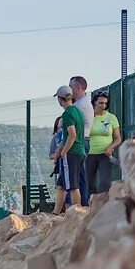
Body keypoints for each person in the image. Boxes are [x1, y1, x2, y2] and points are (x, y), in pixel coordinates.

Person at [51, 84, 86, 213]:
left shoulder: (67, 114)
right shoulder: (78, 112)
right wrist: (57, 154)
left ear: (60, 99)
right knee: (61, 185)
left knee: (72, 186)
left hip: (72, 153)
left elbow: (72, 134)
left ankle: (77, 214)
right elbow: (66, 137)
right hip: (80, 151)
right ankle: (55, 213)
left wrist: (64, 152)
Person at [86, 91, 122, 199]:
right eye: (101, 103)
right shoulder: (89, 118)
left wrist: (111, 147)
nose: (104, 106)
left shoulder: (111, 118)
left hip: (105, 155)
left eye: (106, 103)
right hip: (90, 154)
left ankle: (104, 204)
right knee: (90, 183)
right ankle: (90, 206)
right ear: (94, 103)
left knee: (105, 182)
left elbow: (118, 138)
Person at [69, 74, 94, 205]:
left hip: (80, 142)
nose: (69, 90)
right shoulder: (81, 103)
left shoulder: (80, 105)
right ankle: (82, 205)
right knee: (80, 176)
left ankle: (80, 206)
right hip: (83, 141)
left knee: (76, 177)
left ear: (78, 87)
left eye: (70, 87)